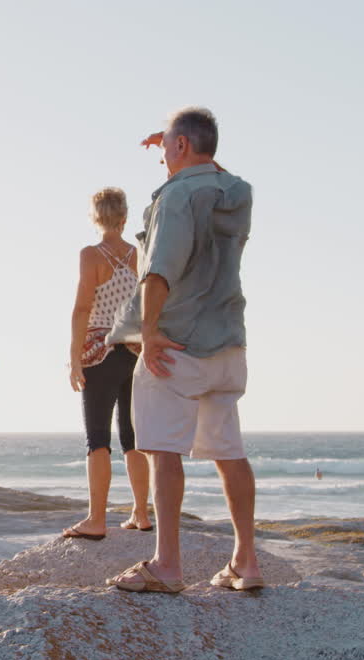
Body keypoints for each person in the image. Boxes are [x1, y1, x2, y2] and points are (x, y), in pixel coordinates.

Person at [105, 107, 260, 593]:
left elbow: (159, 270)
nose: (163, 158)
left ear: (181, 146)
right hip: (228, 340)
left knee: (162, 450)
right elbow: (211, 172)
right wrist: (180, 143)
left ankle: (167, 565)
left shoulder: (175, 196)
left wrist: (149, 331)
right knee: (229, 452)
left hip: (177, 341)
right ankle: (246, 562)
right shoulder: (237, 192)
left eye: (169, 148)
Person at [64, 187, 153, 540]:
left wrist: (74, 357)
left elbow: (82, 308)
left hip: (100, 351)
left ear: (95, 217)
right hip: (135, 351)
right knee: (133, 437)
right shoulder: (140, 254)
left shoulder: (91, 255)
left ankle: (96, 519)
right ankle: (141, 513)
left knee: (97, 437)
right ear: (124, 217)